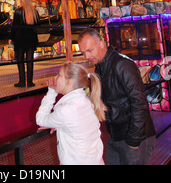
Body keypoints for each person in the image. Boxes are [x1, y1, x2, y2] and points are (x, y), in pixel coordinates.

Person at [78, 28, 156, 165]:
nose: (86, 57)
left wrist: (133, 140)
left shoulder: (122, 65)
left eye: (89, 50)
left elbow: (140, 103)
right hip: (116, 136)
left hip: (136, 136)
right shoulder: (100, 68)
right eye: (83, 52)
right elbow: (97, 101)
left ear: (101, 44)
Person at [36, 62, 105, 165]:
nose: (55, 78)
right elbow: (77, 125)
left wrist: (51, 91)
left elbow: (40, 119)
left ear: (69, 82)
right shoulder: (88, 100)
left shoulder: (66, 110)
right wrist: (59, 124)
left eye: (59, 75)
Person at [12, 0, 40, 88]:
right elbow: (37, 25)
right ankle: (30, 82)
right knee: (30, 60)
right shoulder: (34, 12)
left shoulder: (18, 12)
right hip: (31, 38)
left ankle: (22, 81)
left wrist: (11, 37)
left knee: (20, 60)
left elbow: (14, 27)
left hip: (20, 38)